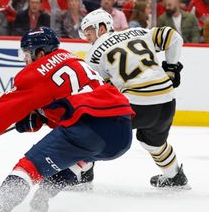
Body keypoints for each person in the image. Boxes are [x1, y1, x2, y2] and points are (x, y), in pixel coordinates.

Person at [0, 27, 134, 212]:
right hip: (122, 131)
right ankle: (42, 198)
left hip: (88, 127)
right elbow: (74, 103)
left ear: (40, 53)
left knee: (29, 166)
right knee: (77, 157)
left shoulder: (37, 71)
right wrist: (41, 117)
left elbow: (3, 112)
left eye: (27, 54)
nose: (25, 60)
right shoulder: (73, 59)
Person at [80, 10, 187, 188]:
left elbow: (97, 90)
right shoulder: (139, 32)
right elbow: (173, 37)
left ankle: (82, 173)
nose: (87, 36)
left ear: (102, 27)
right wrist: (171, 67)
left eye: (89, 30)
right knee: (153, 142)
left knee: (91, 128)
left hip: (136, 103)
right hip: (167, 99)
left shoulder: (93, 55)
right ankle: (175, 177)